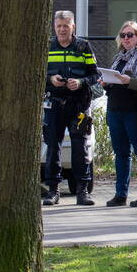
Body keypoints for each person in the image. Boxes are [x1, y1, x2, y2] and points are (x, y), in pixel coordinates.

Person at [43, 11, 101, 206]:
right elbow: (35, 74)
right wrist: (50, 80)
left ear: (73, 26)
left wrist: (81, 81)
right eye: (58, 25)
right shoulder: (48, 46)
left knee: (80, 147)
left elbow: (95, 75)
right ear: (54, 26)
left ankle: (82, 191)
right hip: (54, 104)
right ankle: (53, 191)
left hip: (79, 105)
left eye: (65, 26)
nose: (61, 29)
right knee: (52, 147)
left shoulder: (83, 46)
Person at [101, 20, 137, 207]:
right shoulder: (119, 57)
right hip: (115, 111)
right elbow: (115, 81)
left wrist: (130, 81)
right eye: (123, 35)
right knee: (121, 154)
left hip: (135, 112)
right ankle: (120, 194)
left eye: (130, 35)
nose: (126, 38)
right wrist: (107, 83)